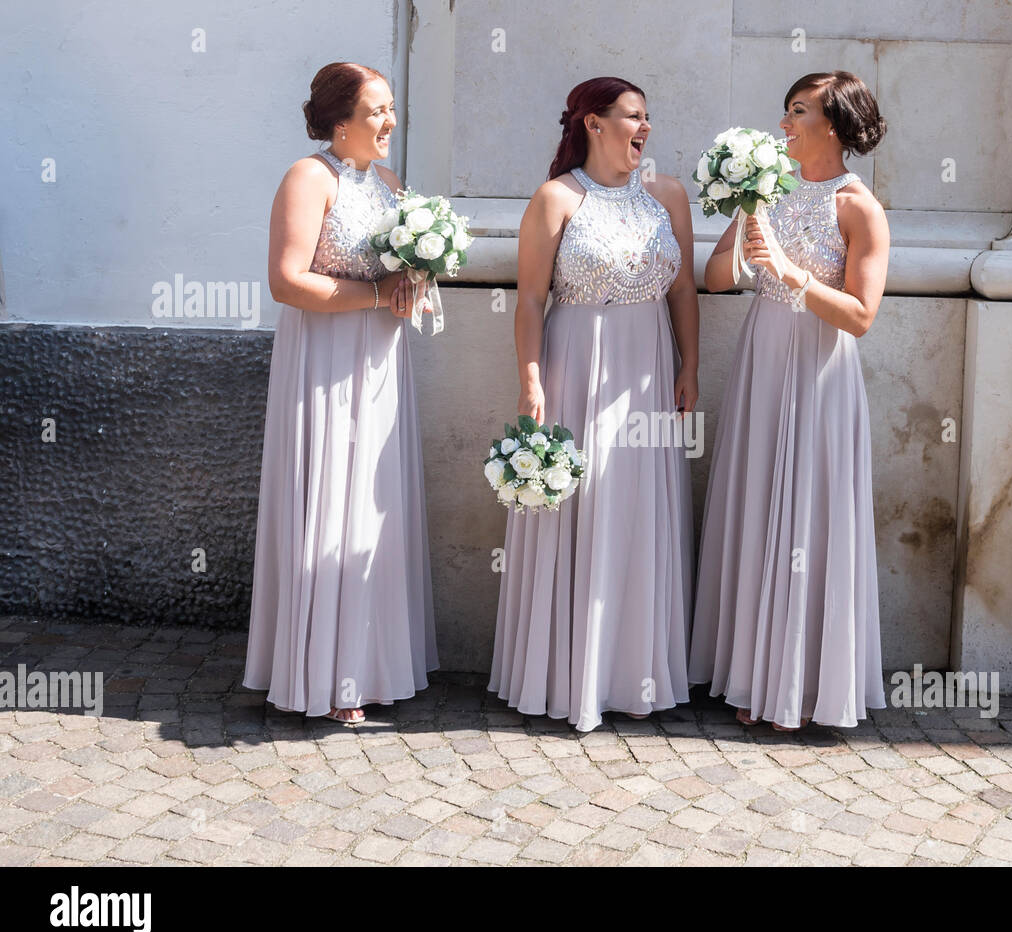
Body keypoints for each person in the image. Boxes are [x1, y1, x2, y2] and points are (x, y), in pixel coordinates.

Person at [489, 77, 700, 732]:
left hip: (649, 363)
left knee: (639, 508)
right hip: (576, 362)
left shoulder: (668, 196)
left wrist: (692, 363)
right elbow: (529, 300)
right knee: (582, 506)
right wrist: (530, 381)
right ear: (593, 124)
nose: (644, 129)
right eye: (633, 117)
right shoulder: (557, 198)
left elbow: (684, 289)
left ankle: (633, 676)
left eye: (647, 117)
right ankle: (564, 676)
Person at [690, 70, 890, 730]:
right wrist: (747, 239)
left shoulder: (858, 205)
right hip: (762, 358)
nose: (783, 124)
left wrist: (789, 272)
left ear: (831, 124)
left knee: (808, 511)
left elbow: (861, 316)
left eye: (797, 112)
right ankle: (750, 677)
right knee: (757, 503)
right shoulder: (767, 192)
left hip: (820, 367)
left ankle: (803, 687)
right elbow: (715, 279)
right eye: (784, 111)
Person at [244, 62, 438, 726]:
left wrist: (421, 275)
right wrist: (379, 293)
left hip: (381, 360)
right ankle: (322, 674)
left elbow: (405, 267)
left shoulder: (387, 182)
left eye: (390, 109)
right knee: (332, 503)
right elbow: (287, 281)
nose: (389, 121)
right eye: (377, 110)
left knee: (373, 509)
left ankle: (373, 661)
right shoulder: (309, 177)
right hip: (324, 360)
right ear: (339, 120)